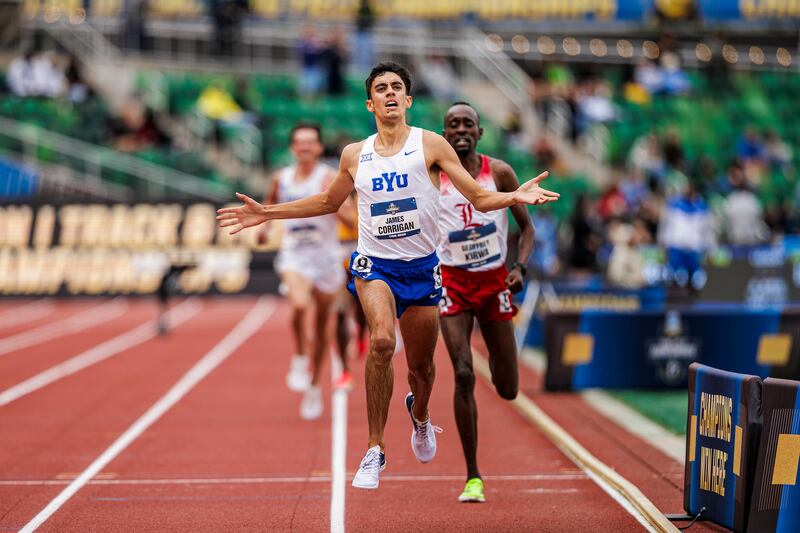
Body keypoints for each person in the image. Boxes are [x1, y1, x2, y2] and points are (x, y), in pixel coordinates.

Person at [217, 62, 559, 490]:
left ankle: (419, 415)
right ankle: (374, 448)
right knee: (381, 340)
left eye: (398, 87)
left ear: (409, 100)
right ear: (370, 102)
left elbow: (476, 195)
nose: (390, 93)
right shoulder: (354, 154)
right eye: (382, 88)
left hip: (422, 269)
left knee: (422, 370)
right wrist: (268, 212)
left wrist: (514, 194)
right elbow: (327, 201)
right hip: (375, 266)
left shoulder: (431, 145)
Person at [435, 102, 534, 503]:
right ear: (443, 134)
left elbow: (526, 230)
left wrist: (520, 268)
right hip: (452, 285)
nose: (460, 129)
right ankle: (473, 476)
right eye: (453, 124)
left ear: (479, 133)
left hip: (494, 284)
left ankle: (498, 355)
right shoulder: (432, 174)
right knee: (462, 375)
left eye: (468, 124)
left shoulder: (502, 173)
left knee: (508, 390)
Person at [261, 122, 354, 420]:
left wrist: (342, 211)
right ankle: (300, 357)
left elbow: (350, 217)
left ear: (318, 147)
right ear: (292, 147)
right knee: (299, 305)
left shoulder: (329, 177)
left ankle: (314, 385)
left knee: (324, 325)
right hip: (295, 255)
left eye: (310, 142)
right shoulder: (282, 178)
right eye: (299, 142)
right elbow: (269, 204)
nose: (304, 147)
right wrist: (263, 227)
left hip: (327, 258)